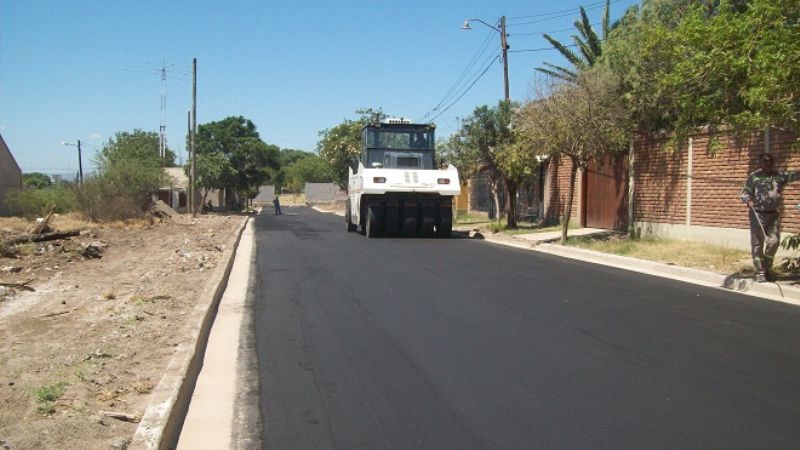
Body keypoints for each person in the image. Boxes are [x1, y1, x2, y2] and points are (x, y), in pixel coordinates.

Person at [740, 153, 800, 282]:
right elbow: (745, 193)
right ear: (760, 163)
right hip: (757, 214)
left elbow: (794, 175)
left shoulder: (778, 176)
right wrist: (747, 200)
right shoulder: (754, 177)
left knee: (774, 242)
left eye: (770, 162)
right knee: (757, 244)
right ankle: (759, 272)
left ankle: (767, 268)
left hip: (773, 214)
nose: (768, 164)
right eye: (765, 161)